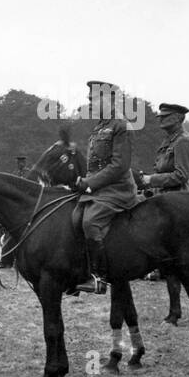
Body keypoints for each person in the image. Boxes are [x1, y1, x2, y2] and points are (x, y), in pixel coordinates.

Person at [73, 80, 138, 293]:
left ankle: (99, 277)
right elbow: (95, 165)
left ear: (109, 99)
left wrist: (90, 183)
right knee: (74, 216)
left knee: (90, 222)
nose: (89, 102)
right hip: (101, 188)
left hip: (118, 190)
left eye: (93, 98)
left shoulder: (121, 126)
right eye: (89, 99)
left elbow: (119, 165)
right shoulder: (101, 126)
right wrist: (82, 181)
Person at [136, 103, 189, 193]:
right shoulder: (170, 139)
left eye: (165, 116)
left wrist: (151, 179)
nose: (160, 119)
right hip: (164, 192)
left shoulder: (183, 141)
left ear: (177, 118)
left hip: (179, 195)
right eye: (160, 116)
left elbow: (181, 175)